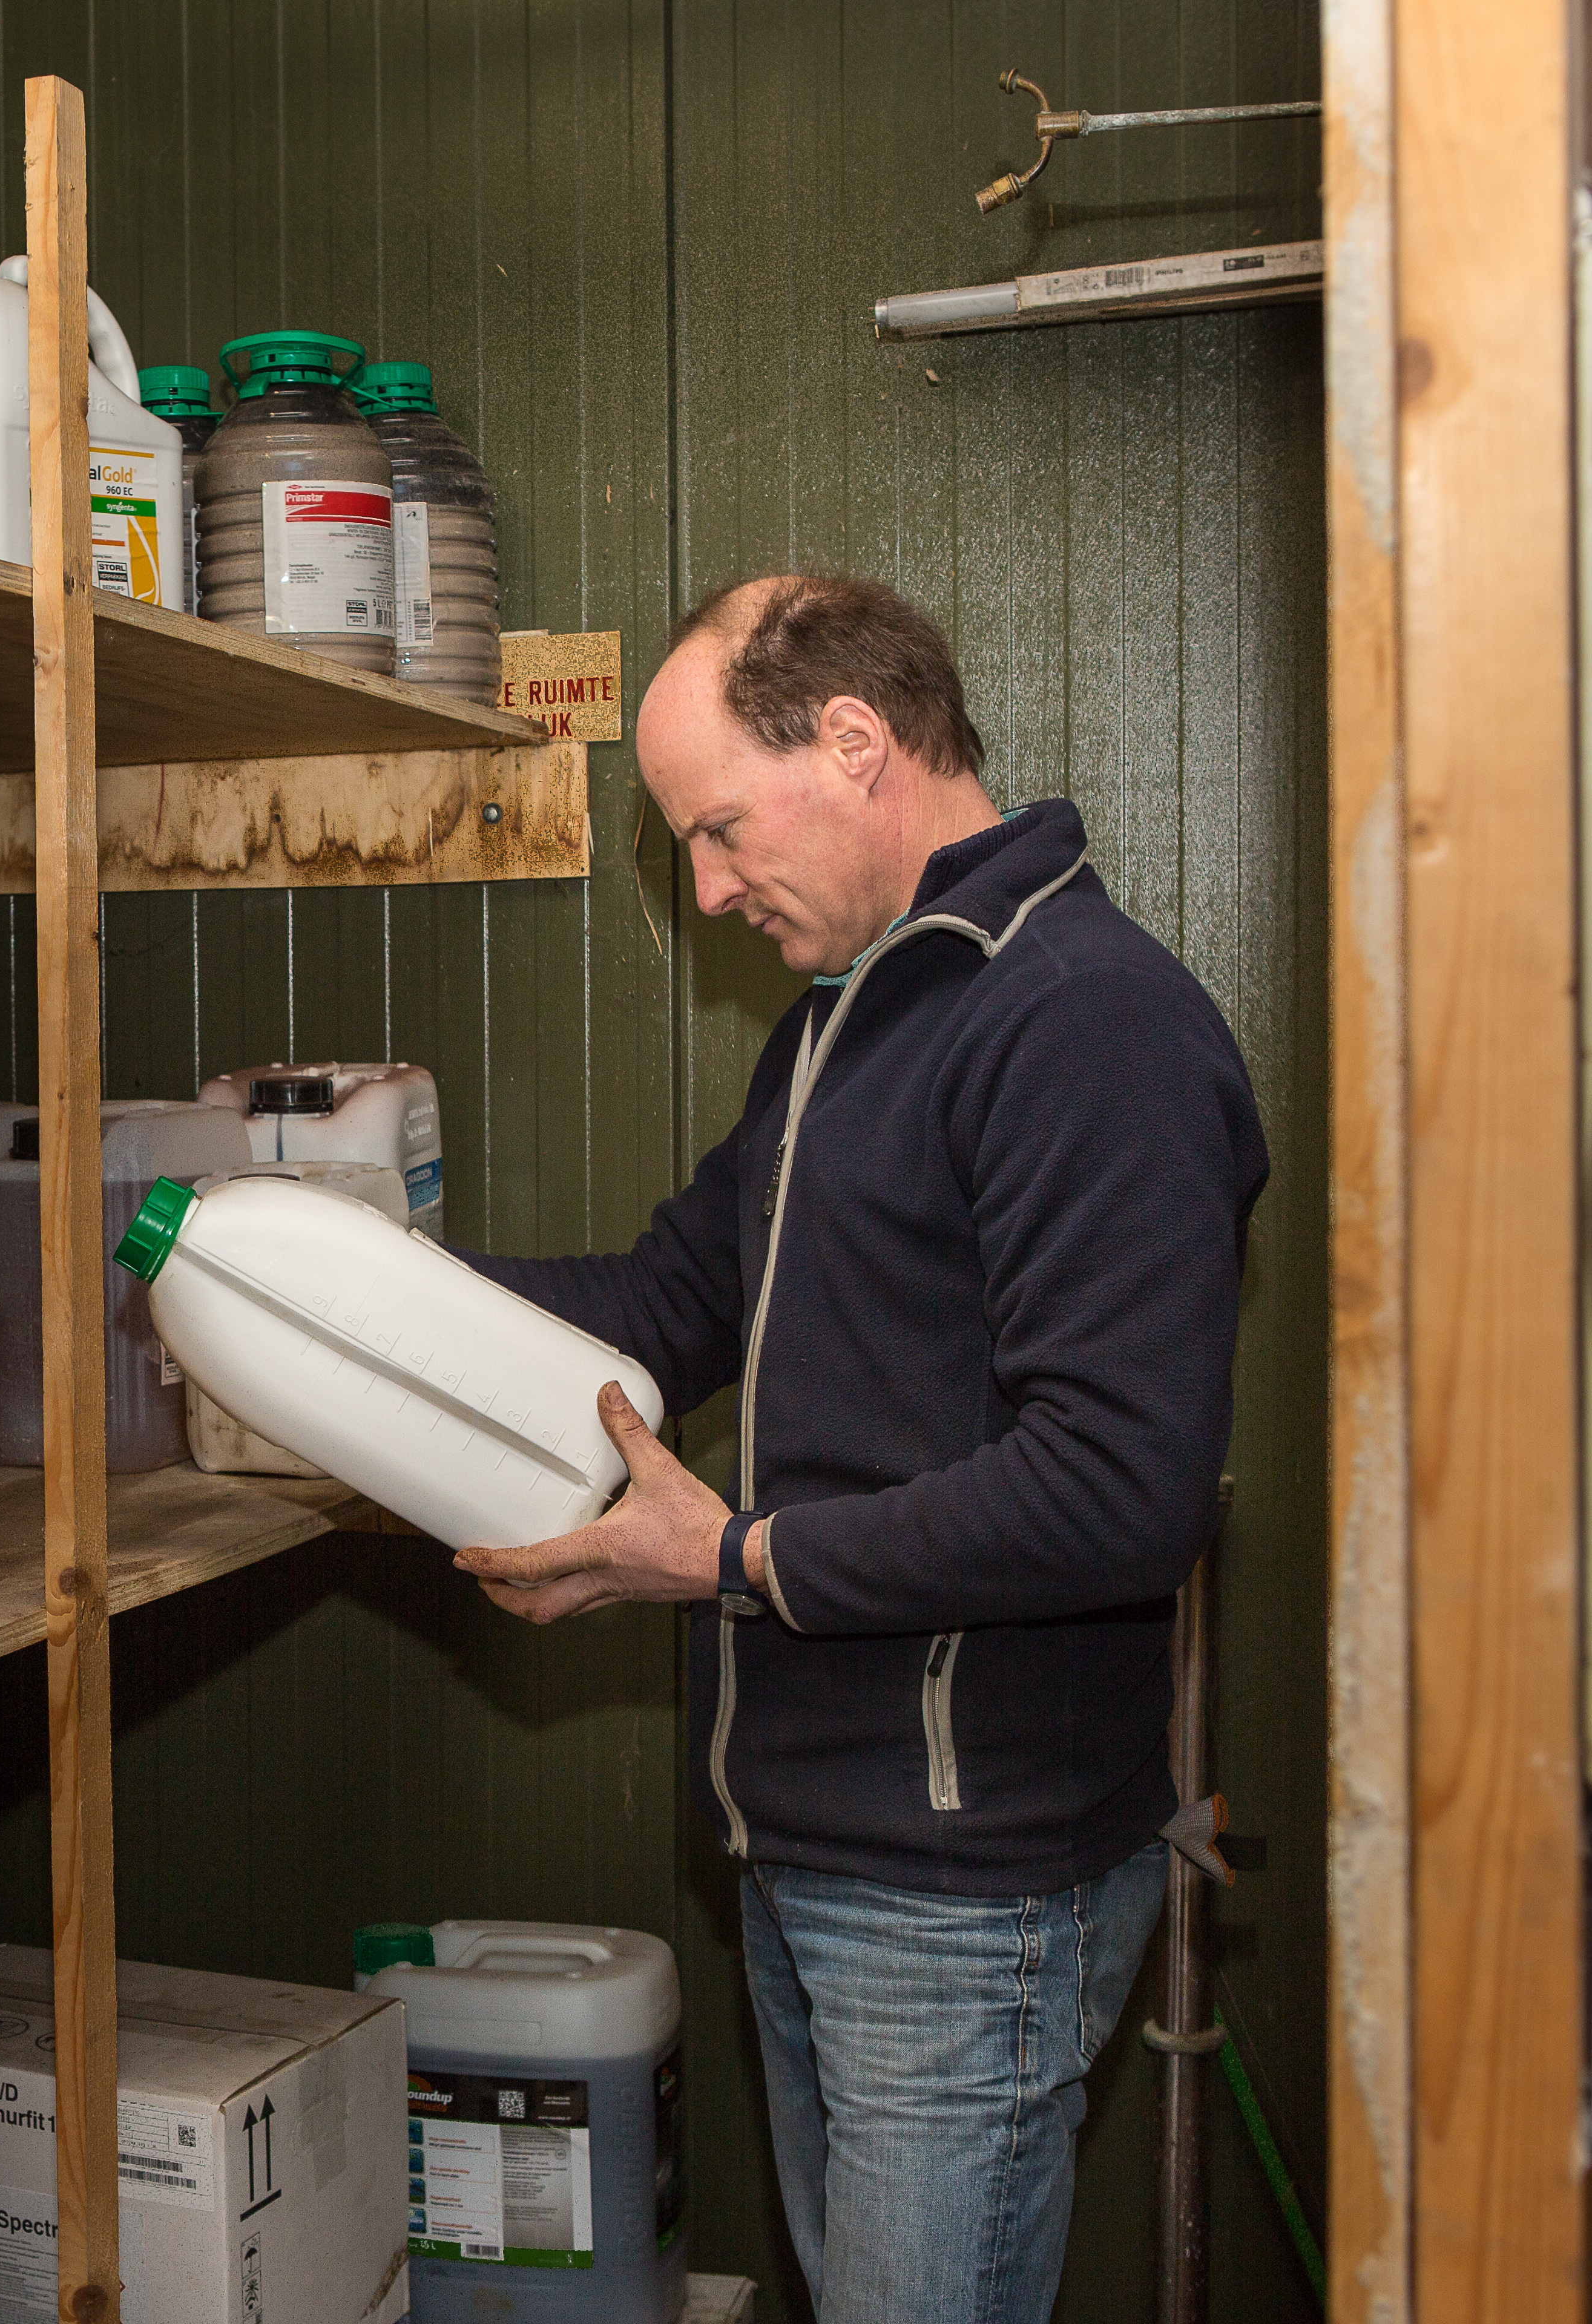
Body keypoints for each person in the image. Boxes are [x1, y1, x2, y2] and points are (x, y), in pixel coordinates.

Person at [451, 573, 1269, 2324]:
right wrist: (343, 1277)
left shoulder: (1082, 1018)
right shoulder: (849, 1021)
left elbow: (1120, 1489)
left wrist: (727, 1558)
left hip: (967, 1898)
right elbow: (667, 1307)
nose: (714, 887)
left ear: (854, 739)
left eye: (722, 829)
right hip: (823, 1856)